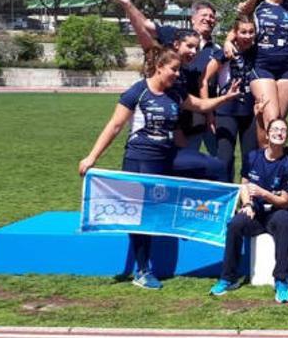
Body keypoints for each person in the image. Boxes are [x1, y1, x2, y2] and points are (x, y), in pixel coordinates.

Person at [77, 46, 243, 290]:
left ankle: (215, 218)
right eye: (173, 70)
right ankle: (142, 270)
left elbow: (198, 105)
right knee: (142, 215)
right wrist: (92, 157)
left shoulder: (175, 92)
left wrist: (225, 98)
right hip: (140, 160)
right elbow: (114, 126)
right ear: (159, 68)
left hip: (169, 157)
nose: (177, 75)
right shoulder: (138, 92)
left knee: (215, 165)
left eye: (179, 70)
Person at [108, 0, 225, 179]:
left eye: (212, 16)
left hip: (194, 117)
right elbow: (143, 29)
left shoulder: (215, 49)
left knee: (210, 166)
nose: (208, 19)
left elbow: (202, 90)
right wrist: (127, 4)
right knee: (166, 173)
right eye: (204, 15)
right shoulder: (171, 38)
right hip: (166, 123)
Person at [209, 117, 288, 303]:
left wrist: (264, 194)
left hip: (275, 213)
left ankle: (281, 280)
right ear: (267, 134)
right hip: (255, 213)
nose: (279, 133)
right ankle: (228, 277)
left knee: (284, 220)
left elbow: (285, 201)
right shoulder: (252, 157)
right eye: (275, 129)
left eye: (283, 130)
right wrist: (248, 204)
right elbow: (244, 184)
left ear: (287, 136)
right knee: (235, 224)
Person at [239, 0, 288, 134]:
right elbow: (237, 30)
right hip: (263, 67)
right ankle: (262, 157)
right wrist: (228, 42)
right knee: (272, 120)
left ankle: (271, 158)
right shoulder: (255, 8)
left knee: (279, 122)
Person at [201, 16, 257, 182]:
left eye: (251, 32)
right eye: (243, 32)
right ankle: (226, 199)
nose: (247, 36)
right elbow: (203, 80)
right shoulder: (225, 53)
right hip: (226, 112)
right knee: (224, 159)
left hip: (250, 112)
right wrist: (208, 112)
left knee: (250, 160)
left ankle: (247, 202)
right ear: (235, 33)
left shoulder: (257, 51)